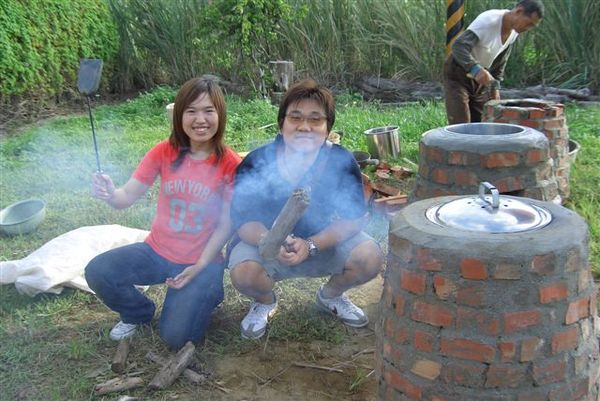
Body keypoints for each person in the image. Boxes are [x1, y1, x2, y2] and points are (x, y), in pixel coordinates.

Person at [85, 77, 241, 349]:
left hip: (203, 262)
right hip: (157, 252)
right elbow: (125, 198)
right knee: (99, 270)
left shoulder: (230, 164)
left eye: (208, 111)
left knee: (176, 338)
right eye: (191, 111)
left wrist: (201, 265)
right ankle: (138, 312)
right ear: (179, 115)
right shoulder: (163, 152)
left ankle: (209, 292)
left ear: (220, 115)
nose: (200, 119)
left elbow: (226, 224)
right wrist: (110, 193)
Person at [228, 79, 384, 340]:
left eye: (315, 119)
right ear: (282, 123)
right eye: (295, 117)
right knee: (245, 273)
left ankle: (330, 296)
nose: (304, 127)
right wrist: (271, 241)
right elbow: (243, 220)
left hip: (321, 244)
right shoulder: (257, 161)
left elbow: (353, 219)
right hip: (265, 246)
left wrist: (311, 244)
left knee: (370, 257)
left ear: (327, 128)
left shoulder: (340, 160)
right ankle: (265, 302)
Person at [443, 0, 544, 124]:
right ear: (519, 11)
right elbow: (459, 46)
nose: (528, 29)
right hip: (457, 71)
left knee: (482, 123)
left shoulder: (513, 33)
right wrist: (475, 70)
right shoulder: (489, 20)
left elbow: (500, 62)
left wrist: (494, 88)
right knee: (461, 123)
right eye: (528, 24)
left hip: (480, 78)